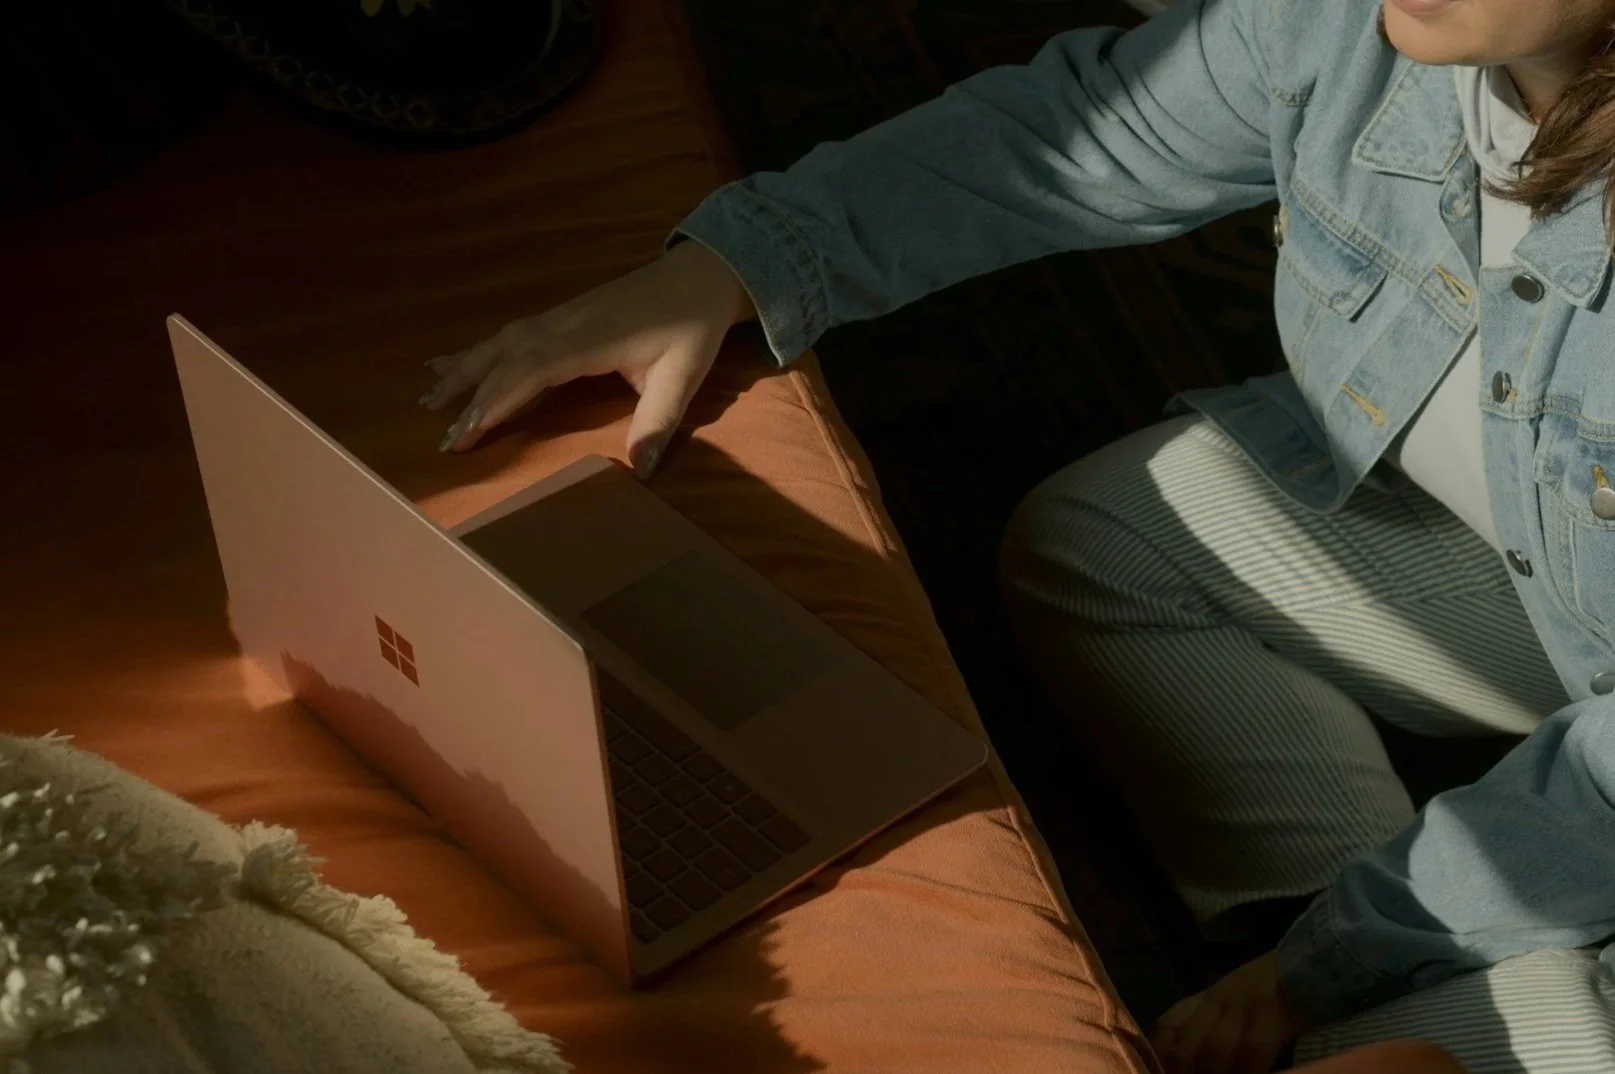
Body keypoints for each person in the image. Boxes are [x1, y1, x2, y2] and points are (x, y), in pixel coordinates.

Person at [419, 0, 1615, 1070]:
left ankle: (1398, 982)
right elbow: (1085, 130)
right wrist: (739, 264)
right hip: (1550, 600)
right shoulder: (1345, 25)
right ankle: (1368, 953)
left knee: (1482, 1029)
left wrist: (1342, 956)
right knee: (1104, 545)